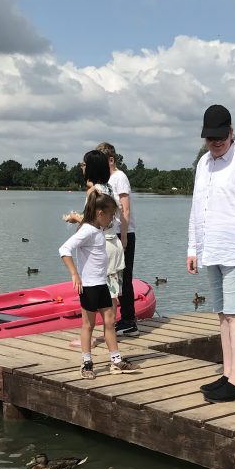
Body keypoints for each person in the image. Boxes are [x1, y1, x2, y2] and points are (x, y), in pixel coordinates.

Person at [187, 104, 235, 403]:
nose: (216, 142)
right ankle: (228, 373)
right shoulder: (203, 163)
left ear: (231, 132)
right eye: (210, 138)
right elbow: (197, 207)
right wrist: (193, 248)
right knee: (222, 315)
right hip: (211, 249)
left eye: (220, 137)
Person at [59, 189, 137, 380]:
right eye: (110, 215)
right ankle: (86, 363)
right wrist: (75, 274)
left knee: (110, 322)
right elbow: (64, 249)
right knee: (88, 325)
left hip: (102, 284)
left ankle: (116, 360)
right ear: (100, 213)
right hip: (89, 286)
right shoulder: (87, 231)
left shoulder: (98, 229)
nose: (112, 220)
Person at [65, 151, 124, 347]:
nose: (82, 167)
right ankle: (109, 334)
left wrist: (74, 218)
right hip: (113, 243)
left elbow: (92, 222)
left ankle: (88, 338)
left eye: (84, 164)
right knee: (111, 292)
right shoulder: (110, 187)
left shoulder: (93, 191)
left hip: (99, 245)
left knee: (92, 289)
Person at [97, 141, 139, 336]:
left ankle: (129, 321)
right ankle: (118, 319)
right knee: (113, 276)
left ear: (111, 160)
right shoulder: (105, 180)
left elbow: (125, 209)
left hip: (124, 233)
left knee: (125, 277)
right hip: (110, 235)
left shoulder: (119, 177)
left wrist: (123, 236)